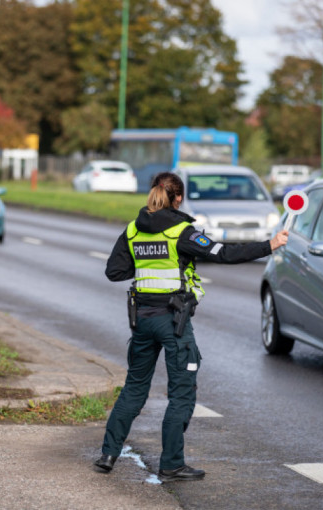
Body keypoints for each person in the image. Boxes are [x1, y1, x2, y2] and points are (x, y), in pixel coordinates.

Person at [94, 172, 289, 482]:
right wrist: (270, 245)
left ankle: (108, 454)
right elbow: (223, 253)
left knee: (134, 388)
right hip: (173, 321)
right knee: (181, 391)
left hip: (142, 321)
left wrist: (143, 263)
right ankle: (171, 463)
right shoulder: (182, 232)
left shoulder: (132, 231)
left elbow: (114, 271)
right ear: (179, 198)